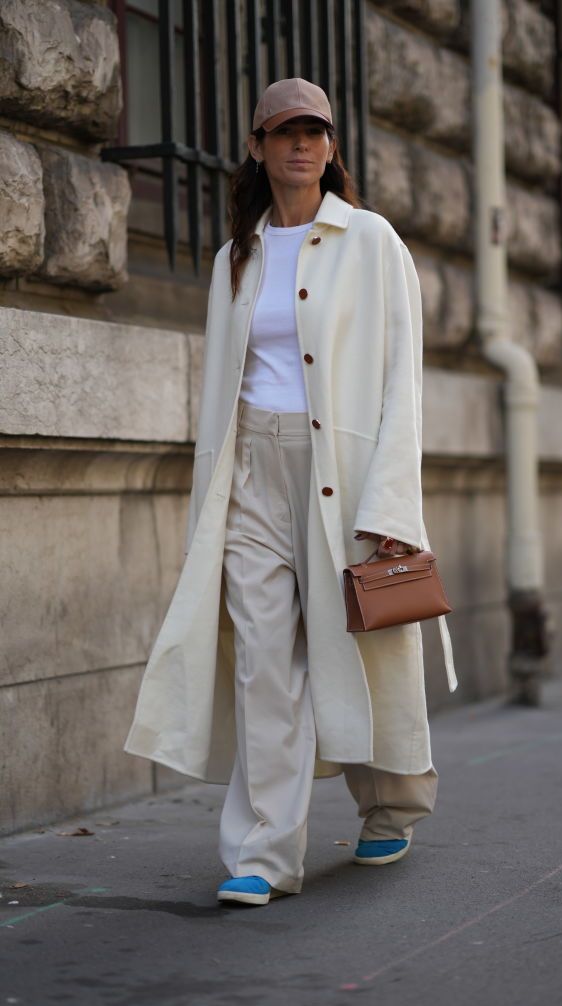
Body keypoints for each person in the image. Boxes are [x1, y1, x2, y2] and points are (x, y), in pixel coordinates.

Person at [123, 77, 458, 907]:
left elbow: (398, 385)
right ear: (257, 146)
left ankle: (389, 805)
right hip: (252, 478)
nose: (300, 145)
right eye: (284, 132)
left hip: (342, 475)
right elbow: (222, 389)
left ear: (332, 148)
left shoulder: (372, 242)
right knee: (264, 667)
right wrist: (216, 496)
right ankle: (263, 856)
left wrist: (390, 507)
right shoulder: (233, 258)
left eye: (315, 132)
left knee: (365, 647)